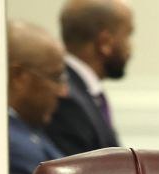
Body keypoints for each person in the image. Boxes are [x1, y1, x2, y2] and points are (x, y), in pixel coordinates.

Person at [45, 0, 131, 156]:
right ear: (105, 42)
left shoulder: (85, 91)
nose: (131, 48)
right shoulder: (67, 99)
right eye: (127, 35)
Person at [7, 21, 68, 174]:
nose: (63, 91)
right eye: (55, 77)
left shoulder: (28, 129)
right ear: (18, 76)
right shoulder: (11, 145)